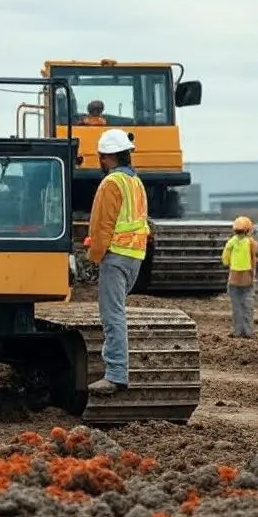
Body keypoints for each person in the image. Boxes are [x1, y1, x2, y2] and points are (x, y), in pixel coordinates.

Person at [86, 128, 149, 395]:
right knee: (117, 312)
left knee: (112, 315)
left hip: (116, 256)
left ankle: (115, 374)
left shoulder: (111, 184)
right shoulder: (135, 182)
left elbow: (102, 226)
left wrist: (93, 257)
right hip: (135, 256)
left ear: (105, 157)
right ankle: (117, 370)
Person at [222, 216, 258, 338]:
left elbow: (225, 260)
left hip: (233, 279)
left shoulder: (231, 242)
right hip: (247, 279)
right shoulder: (251, 242)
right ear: (248, 229)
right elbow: (254, 260)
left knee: (236, 307)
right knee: (247, 306)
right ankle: (248, 332)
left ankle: (237, 331)